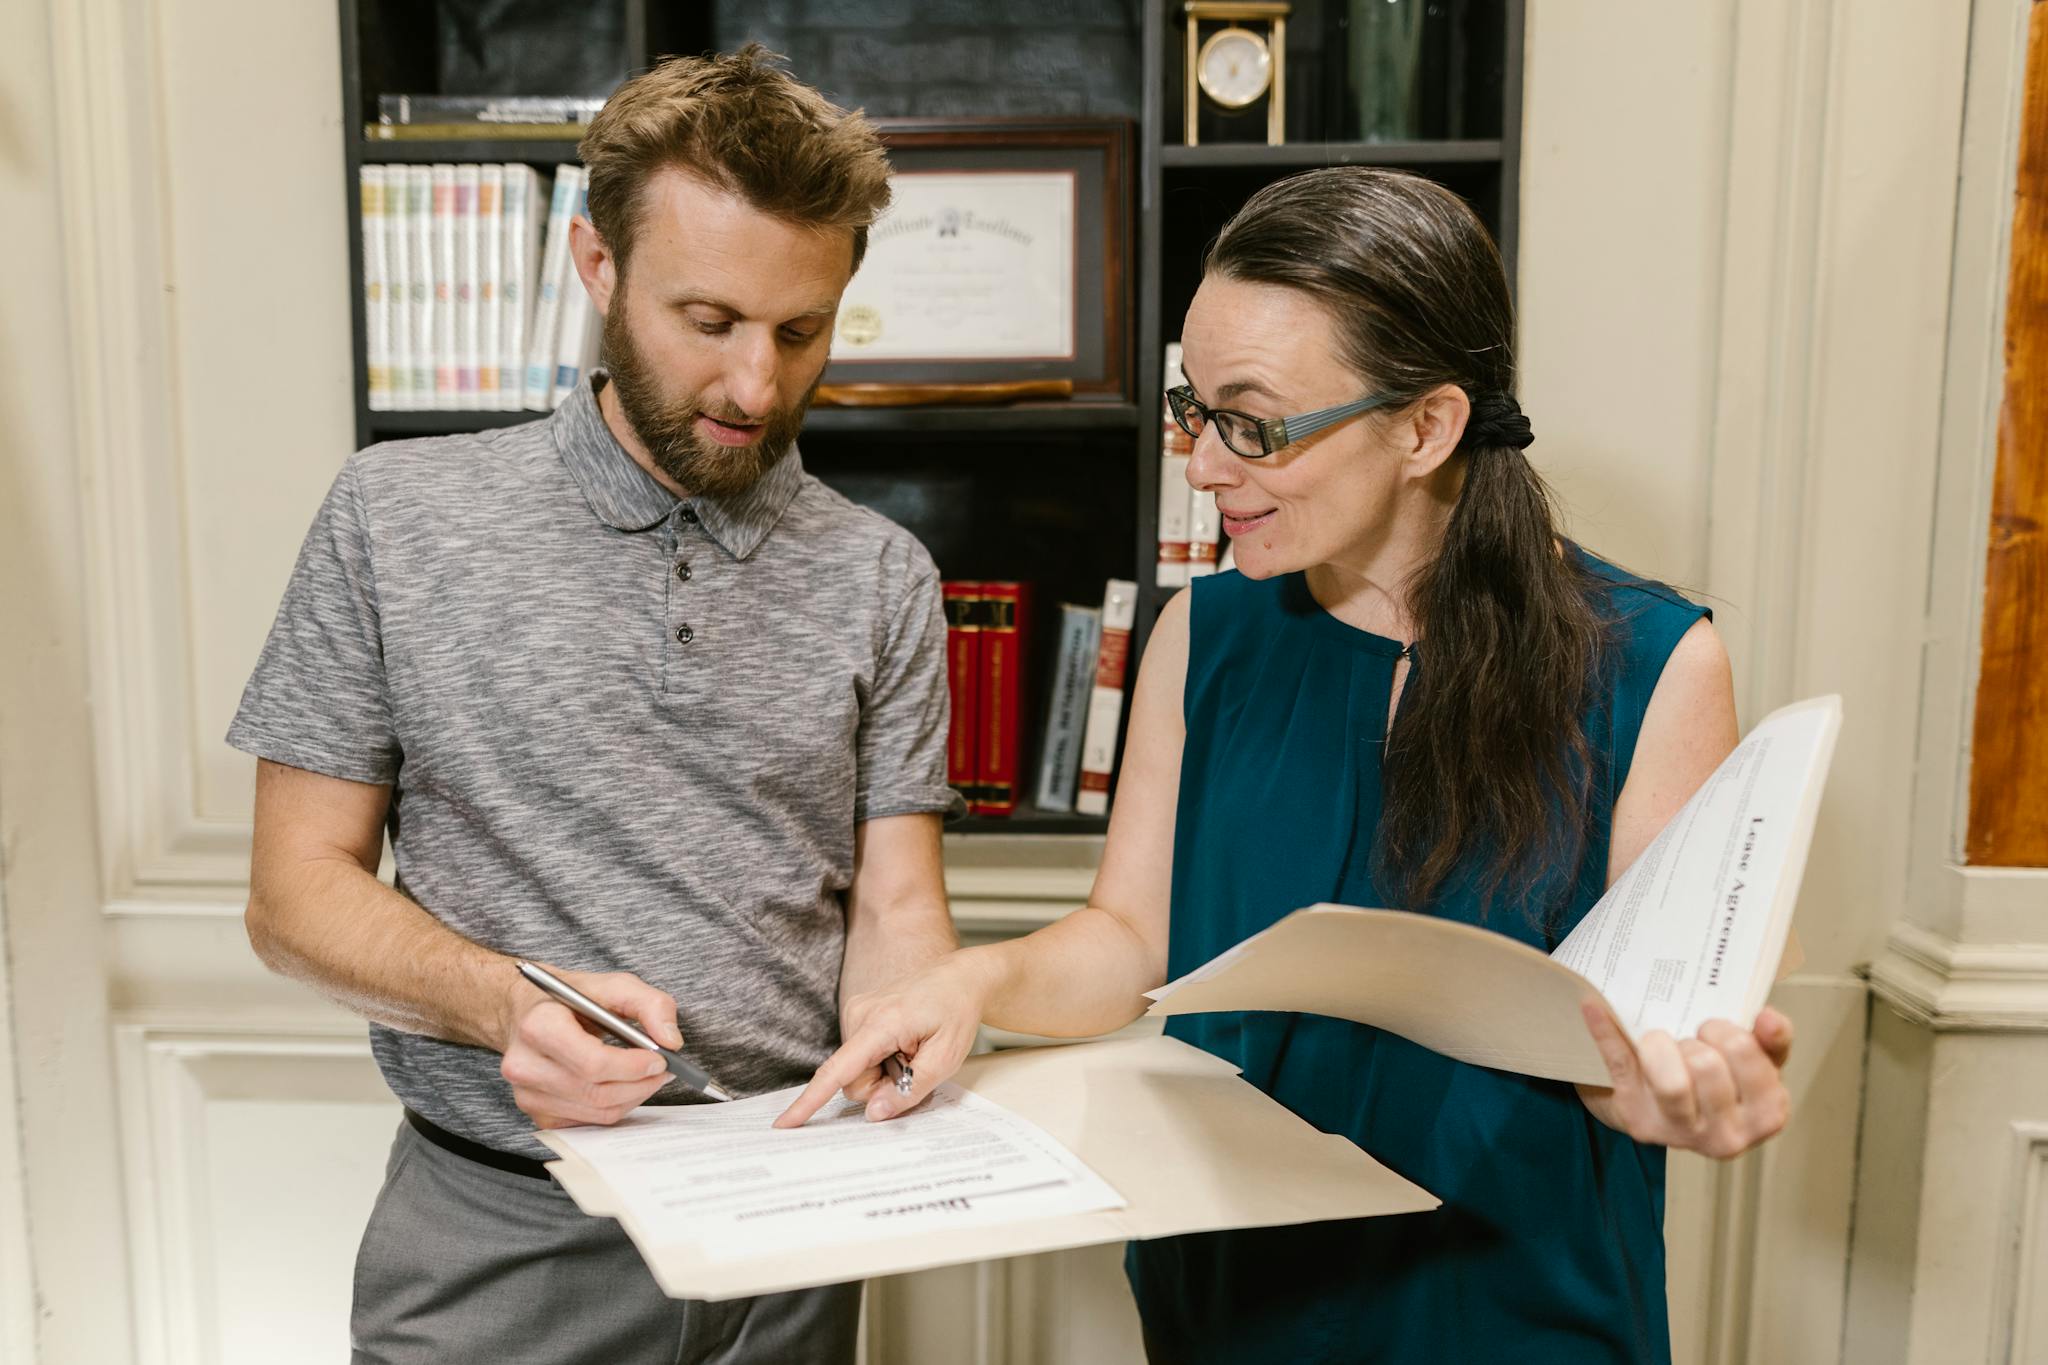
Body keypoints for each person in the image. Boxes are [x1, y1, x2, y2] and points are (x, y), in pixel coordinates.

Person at [778, 166, 1795, 1364]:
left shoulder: (1654, 667)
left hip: (1513, 1314)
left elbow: (1633, 1056)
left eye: (1251, 423)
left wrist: (1678, 1095)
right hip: (1231, 1310)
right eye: (1191, 409)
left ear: (1425, 427)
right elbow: (1131, 944)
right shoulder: (1198, 638)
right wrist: (973, 986)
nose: (1205, 467)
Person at [231, 48, 962, 1365]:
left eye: (801, 333)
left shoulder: (883, 576)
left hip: (791, 1230)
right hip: (501, 1237)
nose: (756, 386)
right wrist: (503, 1003)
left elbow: (896, 906)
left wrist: (907, 1028)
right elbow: (293, 896)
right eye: (710, 321)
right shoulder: (395, 522)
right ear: (595, 265)